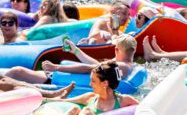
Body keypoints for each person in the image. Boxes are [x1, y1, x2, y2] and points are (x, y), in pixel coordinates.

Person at [36, 61, 138, 115]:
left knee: (87, 111)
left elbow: (146, 110)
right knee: (75, 109)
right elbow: (64, 101)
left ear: (105, 83)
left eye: (93, 81)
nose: (90, 84)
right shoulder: (90, 97)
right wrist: (42, 99)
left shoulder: (124, 100)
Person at [7, 33, 137, 86]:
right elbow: (97, 65)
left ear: (117, 50)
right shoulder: (127, 66)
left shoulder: (120, 66)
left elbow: (89, 69)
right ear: (134, 50)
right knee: (14, 73)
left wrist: (56, 67)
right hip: (58, 78)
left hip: (58, 80)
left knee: (16, 71)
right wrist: (75, 50)